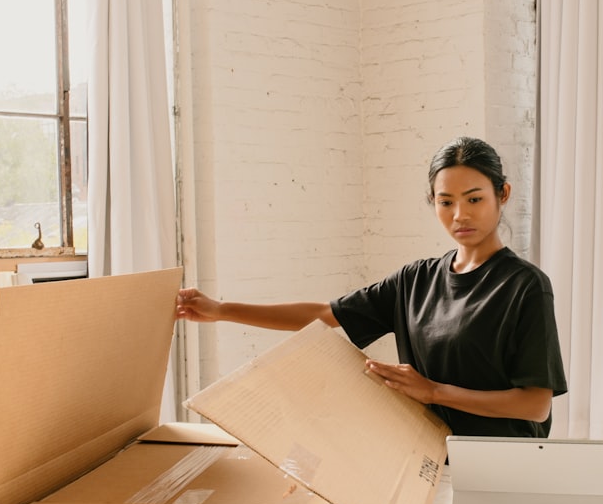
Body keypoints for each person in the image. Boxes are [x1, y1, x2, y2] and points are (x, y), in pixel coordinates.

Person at [176, 136, 567, 438]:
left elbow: (534, 406)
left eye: (474, 199)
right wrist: (222, 310)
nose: (459, 214)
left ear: (503, 195)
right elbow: (322, 314)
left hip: (502, 472)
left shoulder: (525, 286)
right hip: (428, 462)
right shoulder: (416, 281)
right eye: (445, 202)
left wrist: (432, 391)